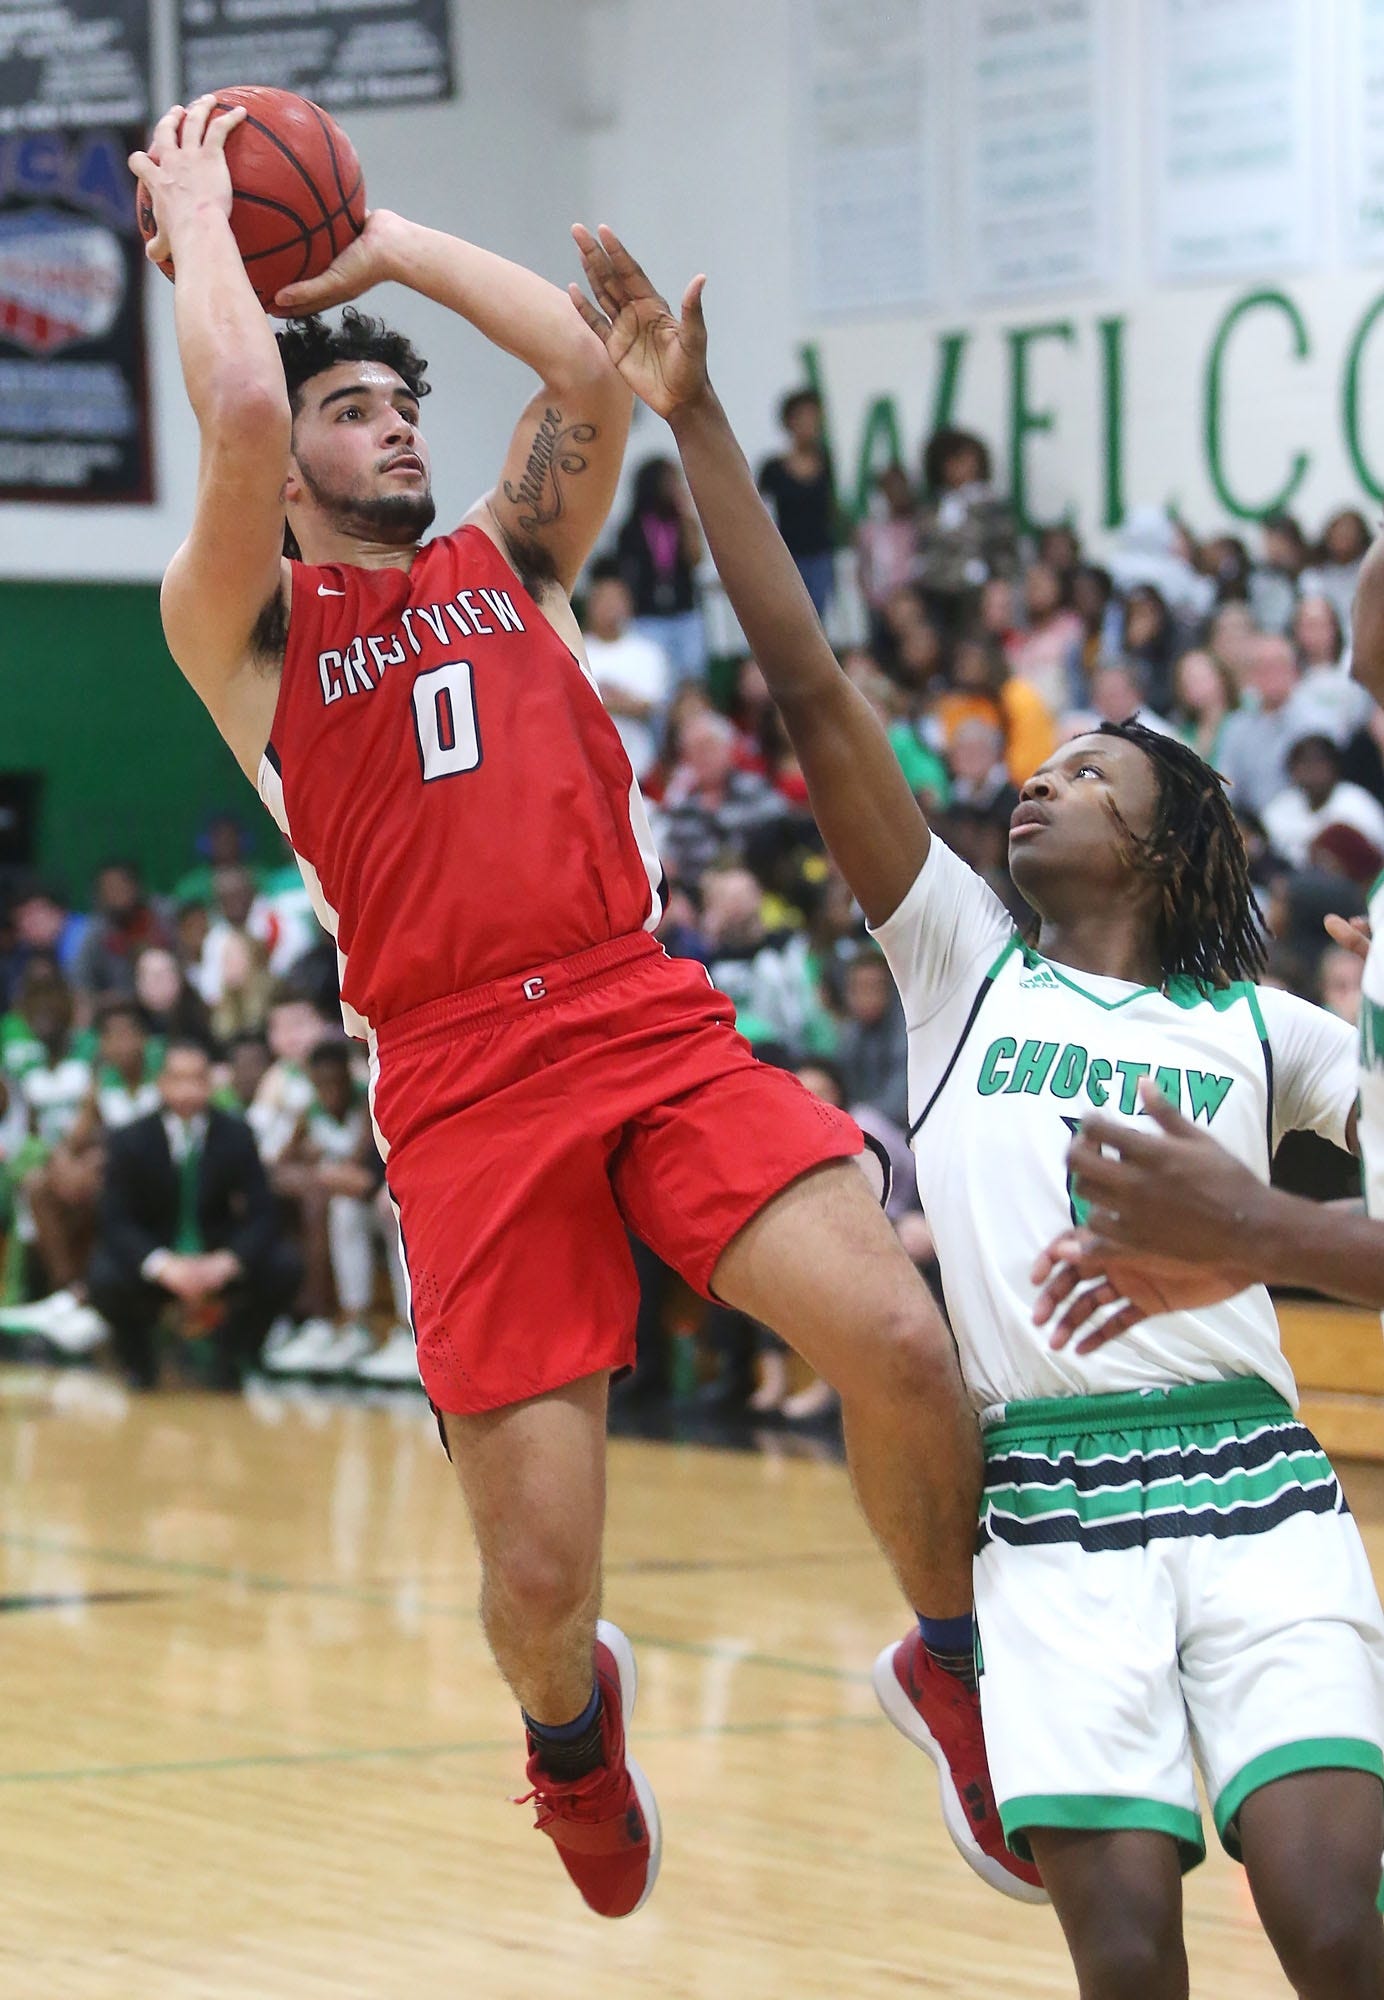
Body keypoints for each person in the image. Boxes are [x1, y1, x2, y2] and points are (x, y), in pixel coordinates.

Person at [132, 104, 992, 1923]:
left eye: (401, 410)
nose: (395, 431)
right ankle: (569, 1739)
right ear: (294, 471)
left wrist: (372, 249)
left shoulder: (511, 561)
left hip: (638, 1014)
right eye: (355, 411)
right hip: (456, 1083)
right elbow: (233, 414)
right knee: (537, 1589)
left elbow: (584, 368)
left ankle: (951, 1668)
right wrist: (208, 225)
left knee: (904, 1354)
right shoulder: (248, 635)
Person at [570, 223, 1384, 1984]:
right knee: (1128, 1967)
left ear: (1168, 839)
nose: (1037, 779)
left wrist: (1268, 1222)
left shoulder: (1269, 1028)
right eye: (1037, 762)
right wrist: (694, 424)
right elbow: (804, 684)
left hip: (1256, 1485)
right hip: (1050, 1521)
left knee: (1332, 1930)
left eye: (1085, 771)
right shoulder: (963, 969)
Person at [87, 1039, 300, 1390]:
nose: (187, 1089)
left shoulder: (237, 1134)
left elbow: (264, 1214)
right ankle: (139, 1364)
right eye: (178, 1079)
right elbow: (114, 1220)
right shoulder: (129, 1139)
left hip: (215, 1255)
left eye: (196, 1079)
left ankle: (231, 1355)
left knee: (284, 1265)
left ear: (211, 1083)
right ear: (162, 1083)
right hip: (160, 1257)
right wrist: (161, 1265)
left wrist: (228, 1261)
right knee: (104, 1277)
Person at [613, 455, 705, 683]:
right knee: (656, 680)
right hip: (647, 615)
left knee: (692, 678)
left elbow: (696, 558)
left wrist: (687, 514)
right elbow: (625, 573)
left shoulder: (681, 522)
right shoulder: (632, 527)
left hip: (685, 612)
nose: (676, 487)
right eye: (671, 481)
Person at [580, 560, 670, 784]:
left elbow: (648, 706)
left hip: (641, 769)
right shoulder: (575, 649)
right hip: (591, 773)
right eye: (603, 600)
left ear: (628, 604)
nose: (610, 607)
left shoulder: (647, 652)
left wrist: (597, 699)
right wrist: (618, 699)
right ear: (590, 605)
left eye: (616, 599)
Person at [756, 387, 838, 618]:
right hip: (789, 556)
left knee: (818, 618)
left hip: (820, 553)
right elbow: (758, 512)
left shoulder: (825, 462)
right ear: (789, 422)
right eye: (804, 418)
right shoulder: (773, 468)